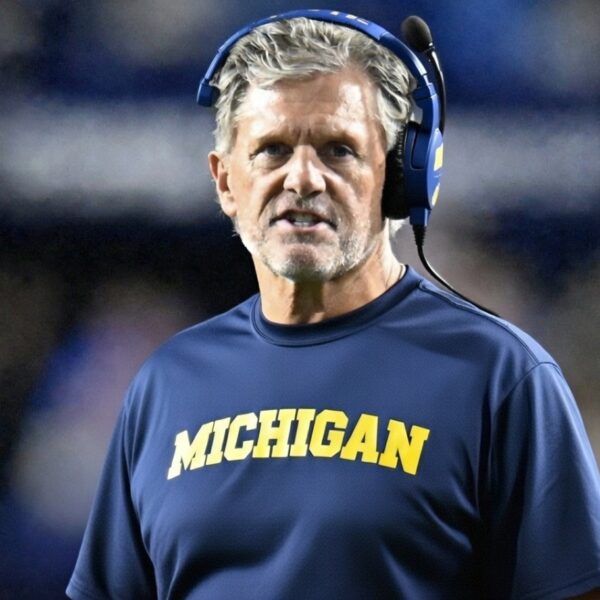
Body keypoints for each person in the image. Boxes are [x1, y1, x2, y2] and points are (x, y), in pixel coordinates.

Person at [67, 12, 600, 600]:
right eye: (272, 150)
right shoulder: (166, 383)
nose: (303, 179)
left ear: (399, 180)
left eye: (338, 150)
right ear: (225, 183)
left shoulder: (500, 378)